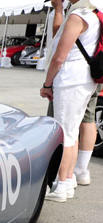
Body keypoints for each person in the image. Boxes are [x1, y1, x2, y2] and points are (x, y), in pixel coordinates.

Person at [41, 0, 102, 201]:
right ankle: (67, 182)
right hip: (84, 79)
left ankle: (61, 185)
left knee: (66, 134)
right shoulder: (93, 13)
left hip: (71, 79)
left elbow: (59, 57)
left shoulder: (78, 15)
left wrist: (47, 84)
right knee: (72, 132)